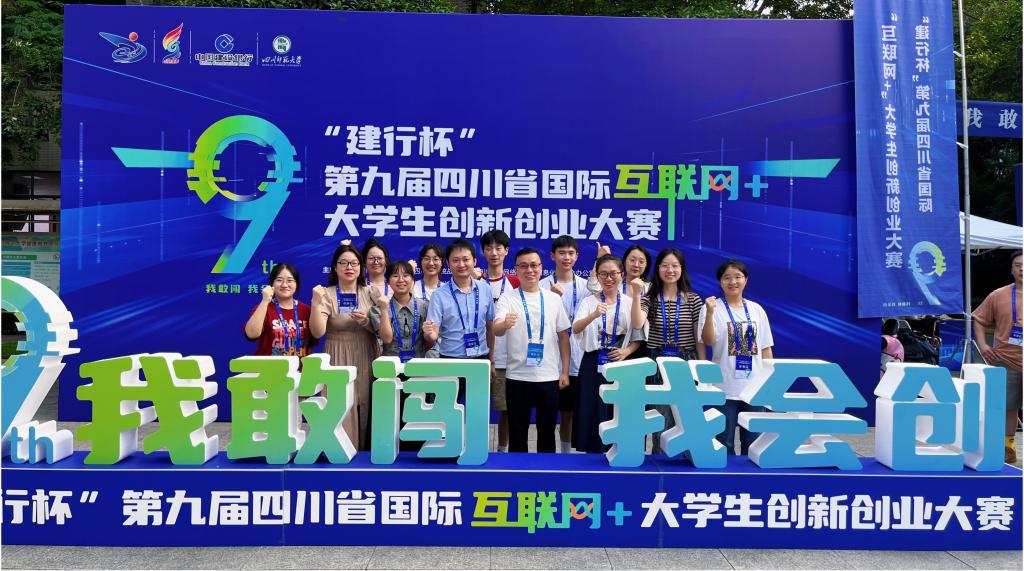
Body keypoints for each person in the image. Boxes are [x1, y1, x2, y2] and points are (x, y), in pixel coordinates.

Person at [493, 248, 571, 453]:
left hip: (549, 376)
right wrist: (504, 324)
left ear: (541, 268)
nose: (530, 270)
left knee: (547, 434)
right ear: (516, 269)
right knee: (518, 434)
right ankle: (518, 472)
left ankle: (546, 471)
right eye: (524, 266)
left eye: (534, 265)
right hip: (517, 376)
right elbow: (496, 329)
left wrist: (564, 371)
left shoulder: (553, 299)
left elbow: (563, 336)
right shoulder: (508, 298)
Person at [310, 243, 386, 451]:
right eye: (343, 263)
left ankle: (368, 455)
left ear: (361, 267)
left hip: (367, 353)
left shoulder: (371, 292)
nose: (349, 267)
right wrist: (316, 304)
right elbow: (318, 331)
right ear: (335, 267)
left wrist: (367, 322)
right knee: (340, 406)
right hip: (338, 356)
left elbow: (383, 330)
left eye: (354, 263)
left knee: (367, 403)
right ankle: (341, 453)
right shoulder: (326, 294)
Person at [631, 248, 705, 454]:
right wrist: (636, 295)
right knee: (661, 420)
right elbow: (637, 324)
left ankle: (685, 464)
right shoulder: (649, 298)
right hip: (658, 363)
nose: (670, 270)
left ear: (682, 269)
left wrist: (702, 366)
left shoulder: (693, 299)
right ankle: (661, 463)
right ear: (657, 269)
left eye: (674, 266)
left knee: (687, 419)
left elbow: (698, 338)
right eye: (665, 266)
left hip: (686, 362)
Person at [699, 259, 774, 456]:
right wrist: (709, 314)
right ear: (720, 282)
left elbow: (766, 349)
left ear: (746, 280)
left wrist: (769, 383)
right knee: (724, 443)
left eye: (738, 277)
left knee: (754, 444)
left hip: (754, 387)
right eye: (727, 278)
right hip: (724, 386)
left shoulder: (757, 310)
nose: (733, 282)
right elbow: (708, 340)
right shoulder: (712, 307)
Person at [572, 254, 643, 453]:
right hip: (593, 361)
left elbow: (638, 335)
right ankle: (592, 455)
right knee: (592, 408)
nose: (608, 278)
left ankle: (618, 453)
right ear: (597, 276)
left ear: (622, 275)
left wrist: (627, 351)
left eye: (613, 273)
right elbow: (576, 328)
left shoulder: (629, 302)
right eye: (603, 274)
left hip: (621, 361)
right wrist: (594, 314)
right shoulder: (588, 302)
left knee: (618, 410)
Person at [370, 260, 440, 452]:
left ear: (413, 280)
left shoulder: (425, 306)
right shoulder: (377, 308)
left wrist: (430, 335)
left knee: (418, 420)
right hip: (391, 373)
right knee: (391, 421)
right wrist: (384, 309)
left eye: (406, 275)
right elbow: (386, 338)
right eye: (395, 276)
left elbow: (431, 342)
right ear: (388, 281)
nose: (401, 280)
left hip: (418, 372)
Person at [426, 238, 497, 402]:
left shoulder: (485, 290)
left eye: (466, 259)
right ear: (448, 263)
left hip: (480, 361)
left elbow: (490, 327)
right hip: (450, 361)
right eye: (456, 260)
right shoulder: (439, 295)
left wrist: (491, 361)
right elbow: (432, 333)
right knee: (448, 410)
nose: (461, 264)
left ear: (474, 261)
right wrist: (429, 334)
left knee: (477, 411)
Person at [540, 235, 591, 453]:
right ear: (552, 256)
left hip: (578, 357)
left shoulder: (586, 286)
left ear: (577, 256)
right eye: (561, 253)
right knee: (549, 411)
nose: (566, 257)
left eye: (571, 253)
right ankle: (552, 455)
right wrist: (553, 299)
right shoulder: (542, 285)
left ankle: (566, 454)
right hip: (550, 358)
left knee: (570, 411)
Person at [972, 250, 1023, 463]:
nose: (1022, 269)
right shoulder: (998, 295)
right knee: (1008, 406)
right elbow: (978, 319)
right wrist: (983, 345)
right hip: (1006, 359)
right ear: (1012, 269)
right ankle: (1008, 447)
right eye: (1018, 265)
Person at [480, 229, 520, 452]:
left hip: (507, 356)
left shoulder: (516, 282)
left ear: (506, 251)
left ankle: (502, 452)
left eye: (498, 248)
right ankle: (477, 448)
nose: (494, 253)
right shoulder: (475, 281)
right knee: (477, 407)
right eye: (489, 248)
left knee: (506, 409)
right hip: (478, 354)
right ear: (483, 252)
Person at [243, 262, 317, 357]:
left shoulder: (306, 310)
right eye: (279, 280)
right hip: (269, 366)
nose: (284, 285)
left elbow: (310, 345)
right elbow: (251, 334)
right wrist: (265, 301)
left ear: (296, 284)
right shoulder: (263, 308)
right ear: (271, 284)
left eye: (290, 280)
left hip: (299, 366)